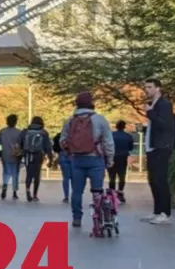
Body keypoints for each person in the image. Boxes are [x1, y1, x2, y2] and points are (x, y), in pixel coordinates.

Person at [60, 92, 114, 229]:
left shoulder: (70, 120)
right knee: (97, 191)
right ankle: (98, 217)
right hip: (95, 159)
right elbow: (108, 142)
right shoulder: (100, 119)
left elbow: (62, 140)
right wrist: (110, 159)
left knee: (77, 191)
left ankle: (76, 218)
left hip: (77, 160)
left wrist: (70, 151)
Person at [143, 78, 174, 224]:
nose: (147, 90)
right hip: (151, 147)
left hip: (161, 147)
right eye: (146, 87)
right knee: (153, 180)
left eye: (149, 87)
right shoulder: (153, 105)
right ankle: (157, 212)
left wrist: (150, 114)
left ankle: (165, 214)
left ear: (158, 88)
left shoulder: (165, 104)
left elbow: (165, 124)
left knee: (161, 180)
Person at [19, 116, 53, 202]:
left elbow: (20, 143)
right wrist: (50, 159)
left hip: (27, 154)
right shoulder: (44, 133)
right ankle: (35, 195)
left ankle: (27, 190)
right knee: (37, 175)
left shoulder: (25, 132)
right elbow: (48, 147)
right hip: (38, 155)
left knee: (29, 174)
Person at [0, 114, 23, 201]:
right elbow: (22, 144)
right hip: (16, 155)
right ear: (16, 122)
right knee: (15, 173)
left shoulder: (2, 131)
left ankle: (4, 185)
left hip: (5, 154)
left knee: (6, 172)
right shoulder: (19, 132)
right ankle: (14, 192)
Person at [109, 120, 135, 204]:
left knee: (112, 176)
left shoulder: (111, 135)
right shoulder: (128, 136)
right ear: (124, 127)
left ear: (116, 126)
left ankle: (111, 194)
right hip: (123, 157)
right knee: (122, 176)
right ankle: (120, 192)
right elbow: (131, 148)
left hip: (112, 157)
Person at [52, 131, 72, 203]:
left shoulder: (59, 135)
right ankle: (75, 195)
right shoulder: (75, 134)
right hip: (74, 155)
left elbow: (54, 147)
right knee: (75, 177)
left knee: (65, 178)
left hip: (62, 155)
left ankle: (66, 196)